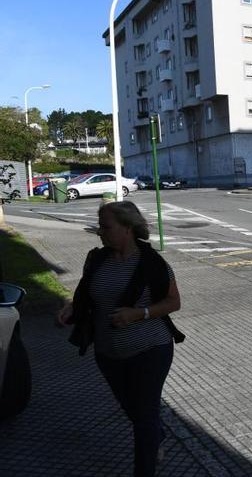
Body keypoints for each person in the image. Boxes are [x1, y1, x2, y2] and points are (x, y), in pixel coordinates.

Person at [57, 201, 184, 477]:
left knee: (145, 415)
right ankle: (157, 436)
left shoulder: (153, 263)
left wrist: (139, 313)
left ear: (127, 228)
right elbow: (88, 294)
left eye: (105, 227)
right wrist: (72, 308)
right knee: (133, 408)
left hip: (151, 348)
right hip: (108, 352)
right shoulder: (97, 259)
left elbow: (174, 302)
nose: (99, 232)